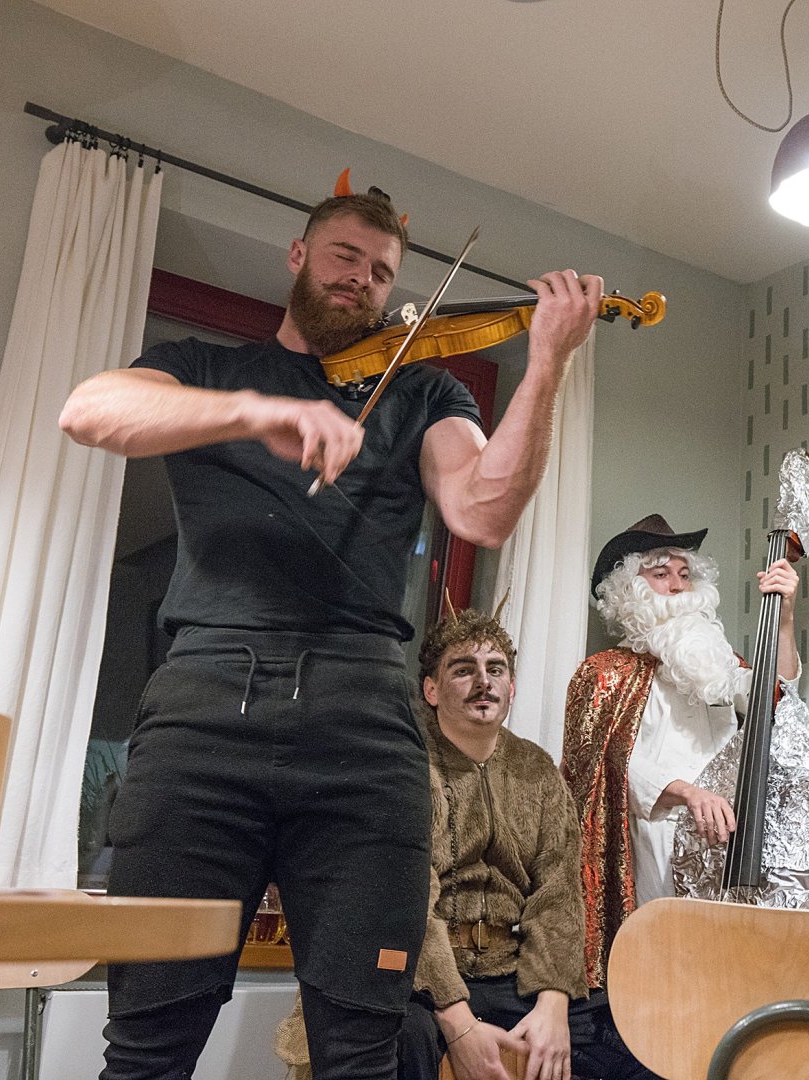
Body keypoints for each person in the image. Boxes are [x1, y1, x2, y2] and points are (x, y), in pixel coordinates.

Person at [60, 184, 603, 1079]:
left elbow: (484, 510)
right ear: (298, 256)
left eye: (382, 271)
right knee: (149, 1043)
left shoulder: (423, 391)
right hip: (204, 707)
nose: (362, 279)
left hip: (363, 720)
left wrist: (546, 362)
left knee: (361, 1047)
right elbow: (90, 411)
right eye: (345, 256)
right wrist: (257, 413)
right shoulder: (201, 365)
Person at [276, 607, 652, 1080]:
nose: (483, 682)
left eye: (496, 669)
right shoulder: (407, 766)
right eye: (463, 669)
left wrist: (553, 1001)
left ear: (512, 687)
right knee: (401, 1038)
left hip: (509, 976)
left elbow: (558, 896)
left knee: (633, 1039)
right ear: (431, 690)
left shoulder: (536, 769)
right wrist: (457, 1021)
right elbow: (407, 902)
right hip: (416, 977)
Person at [561, 514, 799, 987]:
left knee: (739, 974)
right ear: (629, 589)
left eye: (685, 574)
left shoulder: (718, 662)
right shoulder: (603, 673)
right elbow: (606, 768)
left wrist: (786, 617)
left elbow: (779, 699)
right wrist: (688, 792)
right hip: (657, 841)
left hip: (732, 841)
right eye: (661, 573)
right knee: (672, 976)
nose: (677, 585)